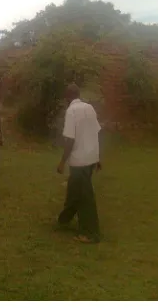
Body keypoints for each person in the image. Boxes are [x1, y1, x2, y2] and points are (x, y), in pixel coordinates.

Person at [57, 83, 102, 243]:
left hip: (80, 161)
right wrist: (98, 157)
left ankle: (90, 233)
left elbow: (69, 139)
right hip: (90, 159)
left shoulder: (71, 111)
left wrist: (62, 162)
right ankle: (63, 220)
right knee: (74, 190)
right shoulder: (90, 108)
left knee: (84, 197)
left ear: (67, 97)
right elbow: (96, 133)